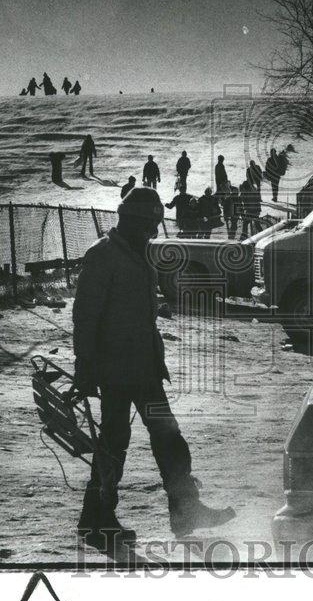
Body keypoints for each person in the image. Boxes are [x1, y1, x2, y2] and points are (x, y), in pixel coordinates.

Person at [73, 188, 235, 550]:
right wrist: (84, 366)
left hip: (143, 369)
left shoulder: (136, 253)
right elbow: (85, 317)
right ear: (129, 219)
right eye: (147, 225)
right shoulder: (102, 256)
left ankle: (184, 509)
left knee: (168, 437)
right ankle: (96, 518)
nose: (150, 232)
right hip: (115, 370)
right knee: (115, 443)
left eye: (152, 226)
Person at [238, 174, 262, 238]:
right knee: (257, 224)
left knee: (245, 224)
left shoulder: (246, 193)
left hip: (250, 211)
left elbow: (242, 199)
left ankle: (244, 236)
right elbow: (258, 200)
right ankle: (262, 235)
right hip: (255, 210)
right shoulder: (254, 191)